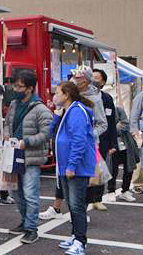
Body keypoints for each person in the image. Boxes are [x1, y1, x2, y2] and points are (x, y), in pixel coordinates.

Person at [40, 67, 108, 219]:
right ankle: (58, 208)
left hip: (81, 147)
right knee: (62, 178)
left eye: (77, 77)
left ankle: (80, 216)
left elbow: (102, 124)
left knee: (81, 183)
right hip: (62, 144)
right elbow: (55, 124)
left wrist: (88, 136)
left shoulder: (94, 99)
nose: (73, 79)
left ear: (85, 81)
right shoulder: (67, 97)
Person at [5, 70, 54, 244]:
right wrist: (6, 135)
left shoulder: (41, 109)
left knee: (30, 193)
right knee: (16, 192)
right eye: (15, 85)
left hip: (30, 157)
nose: (16, 89)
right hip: (13, 154)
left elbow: (47, 133)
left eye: (20, 86)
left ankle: (32, 229)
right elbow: (7, 123)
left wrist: (27, 141)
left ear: (30, 88)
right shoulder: (13, 104)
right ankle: (25, 222)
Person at [51, 81, 97, 255]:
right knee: (72, 203)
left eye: (57, 92)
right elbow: (52, 133)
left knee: (77, 204)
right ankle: (75, 236)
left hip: (75, 167)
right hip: (66, 166)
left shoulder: (76, 111)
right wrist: (56, 115)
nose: (55, 96)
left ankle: (80, 241)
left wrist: (72, 165)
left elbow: (79, 140)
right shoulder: (68, 111)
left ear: (67, 94)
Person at [93, 69, 119, 204]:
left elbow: (111, 122)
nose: (93, 79)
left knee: (100, 168)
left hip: (102, 139)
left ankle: (98, 199)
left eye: (96, 78)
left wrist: (113, 143)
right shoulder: (81, 96)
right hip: (86, 139)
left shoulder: (106, 98)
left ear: (102, 82)